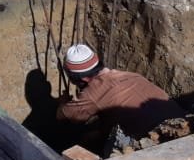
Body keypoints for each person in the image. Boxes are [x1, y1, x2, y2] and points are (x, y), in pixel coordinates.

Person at [57, 43, 185, 140]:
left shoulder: (93, 92)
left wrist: (63, 102)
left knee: (85, 140)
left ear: (82, 78)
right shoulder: (130, 75)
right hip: (183, 124)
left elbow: (62, 116)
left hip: (156, 140)